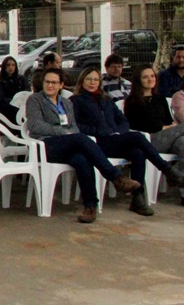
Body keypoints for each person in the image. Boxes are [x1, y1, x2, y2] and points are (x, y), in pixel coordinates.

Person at [24, 68, 141, 224]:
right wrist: (63, 132)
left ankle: (90, 206)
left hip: (68, 144)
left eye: (54, 82)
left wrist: (69, 134)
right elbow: (36, 125)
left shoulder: (66, 103)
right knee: (80, 138)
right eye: (47, 82)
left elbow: (74, 126)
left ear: (61, 85)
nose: (50, 85)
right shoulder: (35, 100)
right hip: (46, 145)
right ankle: (115, 176)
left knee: (82, 159)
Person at [70, 65, 183, 216]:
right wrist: (100, 131)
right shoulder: (75, 101)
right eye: (89, 79)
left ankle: (137, 198)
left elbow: (123, 121)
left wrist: (117, 131)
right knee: (137, 137)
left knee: (138, 153)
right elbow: (76, 126)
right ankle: (167, 170)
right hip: (95, 142)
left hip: (114, 139)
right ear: (82, 81)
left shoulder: (106, 99)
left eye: (96, 79)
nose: (92, 82)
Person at [123, 64, 184, 204]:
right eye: (145, 77)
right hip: (147, 141)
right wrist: (163, 127)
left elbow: (169, 121)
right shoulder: (132, 101)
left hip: (167, 137)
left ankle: (183, 193)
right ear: (138, 80)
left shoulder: (160, 98)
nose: (150, 79)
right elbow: (135, 126)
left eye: (152, 76)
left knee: (183, 142)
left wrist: (167, 127)